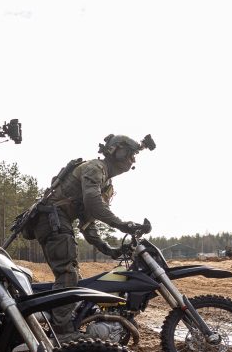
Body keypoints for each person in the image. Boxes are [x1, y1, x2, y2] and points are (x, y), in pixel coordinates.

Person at [32, 134, 149, 340]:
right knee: (68, 274)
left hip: (58, 220)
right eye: (130, 155)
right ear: (116, 151)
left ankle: (63, 316)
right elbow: (93, 202)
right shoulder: (95, 168)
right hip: (52, 219)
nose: (133, 161)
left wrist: (109, 250)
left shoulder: (106, 182)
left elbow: (88, 223)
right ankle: (61, 331)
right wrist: (121, 224)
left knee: (73, 274)